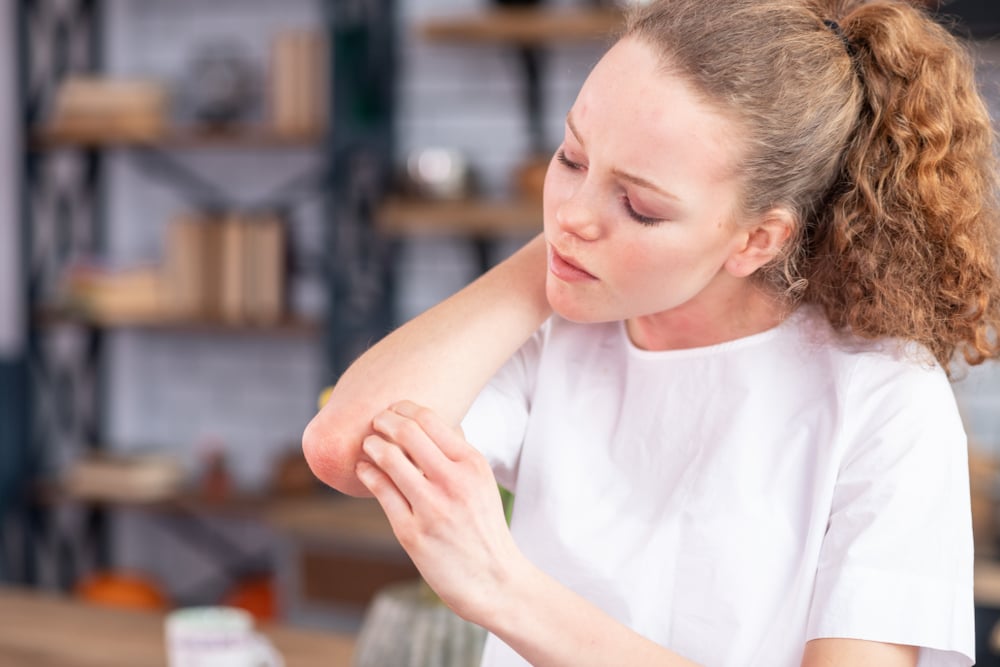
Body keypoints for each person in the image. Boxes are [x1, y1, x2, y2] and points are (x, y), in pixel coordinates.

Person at [302, 0, 1000, 664]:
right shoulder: (560, 331)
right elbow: (342, 447)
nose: (571, 212)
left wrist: (505, 590)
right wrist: (567, 251)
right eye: (570, 157)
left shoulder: (884, 398)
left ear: (757, 239)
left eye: (639, 205)